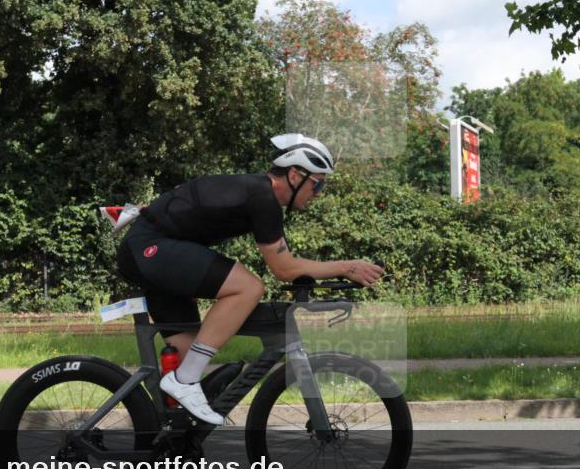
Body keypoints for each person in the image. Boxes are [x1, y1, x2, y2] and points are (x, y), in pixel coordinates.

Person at [116, 133, 384, 425]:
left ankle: (169, 440)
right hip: (148, 248)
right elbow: (284, 269)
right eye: (317, 183)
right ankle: (185, 381)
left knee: (187, 355)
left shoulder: (256, 193)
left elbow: (289, 264)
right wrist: (347, 267)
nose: (319, 192)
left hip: (151, 250)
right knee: (248, 287)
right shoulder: (262, 196)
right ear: (295, 175)